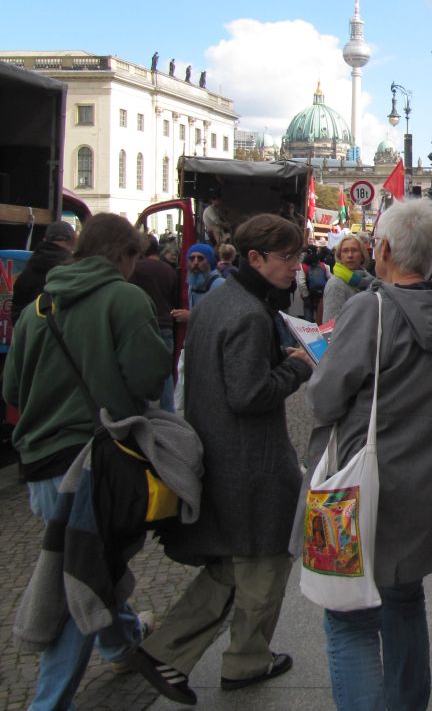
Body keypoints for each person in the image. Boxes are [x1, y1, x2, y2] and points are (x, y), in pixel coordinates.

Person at [128, 215, 314, 705]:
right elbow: (250, 393)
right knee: (264, 561)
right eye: (287, 258)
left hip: (221, 449)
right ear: (255, 259)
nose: (296, 267)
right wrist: (297, 368)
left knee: (236, 565)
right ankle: (244, 660)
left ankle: (168, 651)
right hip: (250, 459)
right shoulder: (250, 313)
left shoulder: (219, 300)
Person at [305, 197, 432, 711]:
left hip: (361, 481)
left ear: (382, 249)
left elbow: (324, 399)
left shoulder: (369, 309)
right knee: (404, 597)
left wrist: (318, 360)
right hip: (428, 476)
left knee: (349, 617)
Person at [4, 214, 170, 711]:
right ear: (123, 254)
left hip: (39, 461)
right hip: (94, 463)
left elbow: (11, 389)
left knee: (82, 561)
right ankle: (48, 703)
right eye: (135, 257)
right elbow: (148, 378)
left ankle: (120, 643)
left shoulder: (39, 306)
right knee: (82, 582)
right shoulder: (125, 298)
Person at [130, 234, 180, 411]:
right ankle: (169, 411)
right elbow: (174, 298)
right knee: (165, 372)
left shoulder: (136, 268)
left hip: (143, 323)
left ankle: (141, 409)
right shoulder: (169, 270)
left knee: (140, 368)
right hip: (166, 324)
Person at [10, 220, 76, 325]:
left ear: (45, 240)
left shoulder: (27, 271)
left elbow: (16, 315)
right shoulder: (75, 272)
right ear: (73, 241)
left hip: (31, 337)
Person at [321, 234, 373, 323]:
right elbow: (330, 325)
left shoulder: (371, 282)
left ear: (362, 256)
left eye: (354, 250)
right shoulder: (335, 284)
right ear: (340, 256)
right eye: (345, 251)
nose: (350, 255)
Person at [170, 243, 224, 324]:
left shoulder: (219, 284)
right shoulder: (192, 283)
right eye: (192, 258)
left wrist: (191, 317)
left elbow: (223, 317)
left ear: (210, 262)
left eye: (200, 258)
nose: (195, 262)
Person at [301, 245, 330, 323]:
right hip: (321, 295)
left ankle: (309, 331)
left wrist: (305, 296)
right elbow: (330, 278)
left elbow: (301, 283)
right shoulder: (323, 265)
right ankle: (320, 331)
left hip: (309, 294)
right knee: (321, 314)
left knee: (308, 313)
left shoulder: (303, 266)